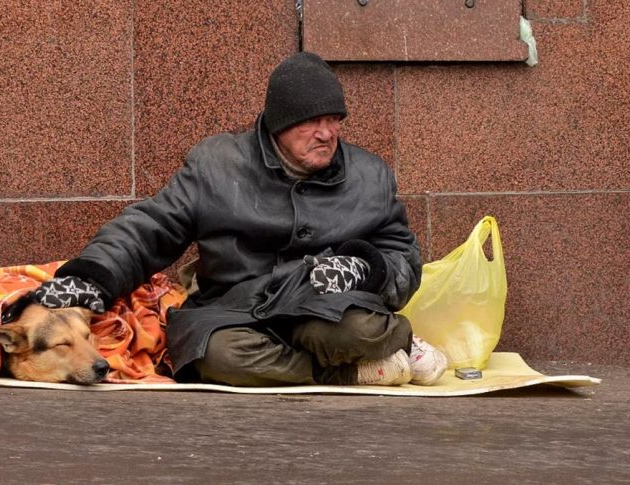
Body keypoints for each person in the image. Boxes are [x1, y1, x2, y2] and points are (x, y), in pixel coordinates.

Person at [30, 52, 447, 386]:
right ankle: (355, 372)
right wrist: (91, 277)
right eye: (313, 122)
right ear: (280, 124)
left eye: (334, 120)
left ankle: (380, 350)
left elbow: (401, 255)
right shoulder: (217, 163)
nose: (327, 133)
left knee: (358, 332)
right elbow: (151, 226)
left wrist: (363, 267)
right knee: (215, 357)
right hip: (234, 309)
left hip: (324, 306)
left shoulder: (369, 175)